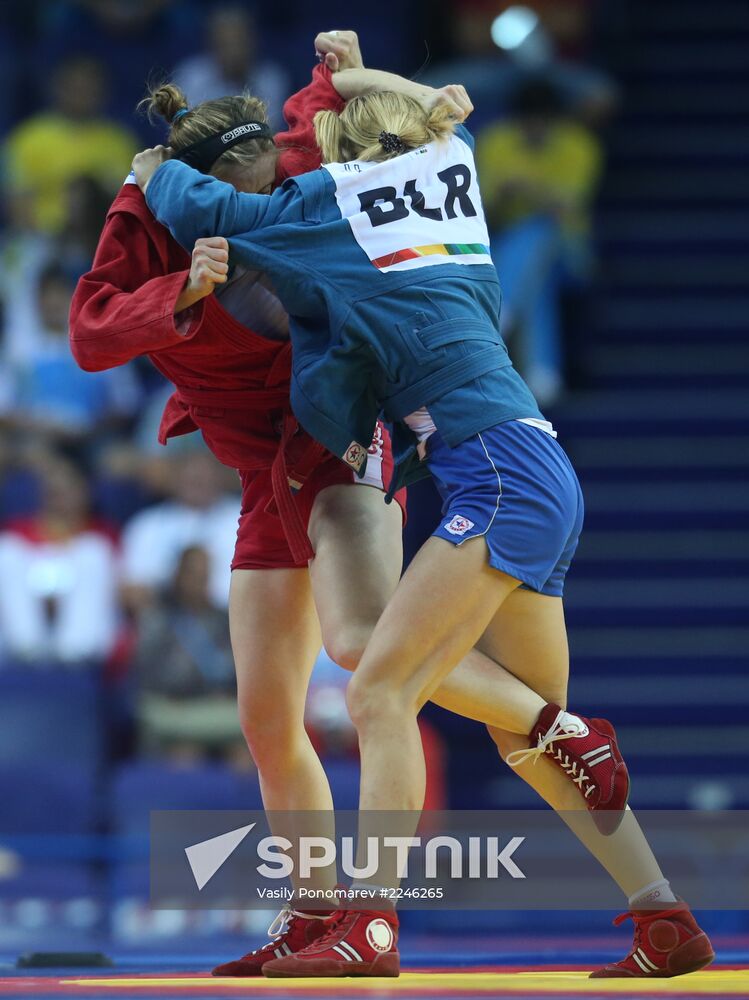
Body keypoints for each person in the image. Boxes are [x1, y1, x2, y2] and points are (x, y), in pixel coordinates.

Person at [136, 87, 715, 981]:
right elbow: (451, 115)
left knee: (377, 693)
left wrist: (152, 171)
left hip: (490, 474)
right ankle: (663, 916)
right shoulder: (454, 173)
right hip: (535, 463)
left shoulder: (331, 210)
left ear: (344, 157)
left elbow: (199, 203)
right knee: (526, 739)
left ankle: (369, 924)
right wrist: (373, 72)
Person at [477, 77, 602, 404]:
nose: (534, 127)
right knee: (534, 275)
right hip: (504, 249)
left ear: (555, 120)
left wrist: (523, 188)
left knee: (539, 232)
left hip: (569, 252)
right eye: (527, 121)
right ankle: (543, 373)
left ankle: (501, 313)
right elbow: (483, 214)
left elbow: (567, 210)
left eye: (542, 120)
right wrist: (508, 197)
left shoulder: (579, 145)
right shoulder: (494, 142)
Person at [3, 55, 138, 234]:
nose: (82, 95)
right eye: (75, 88)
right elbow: (17, 205)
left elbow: (131, 203)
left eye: (89, 88)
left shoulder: (120, 142)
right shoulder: (28, 139)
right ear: (58, 88)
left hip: (102, 236)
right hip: (41, 238)